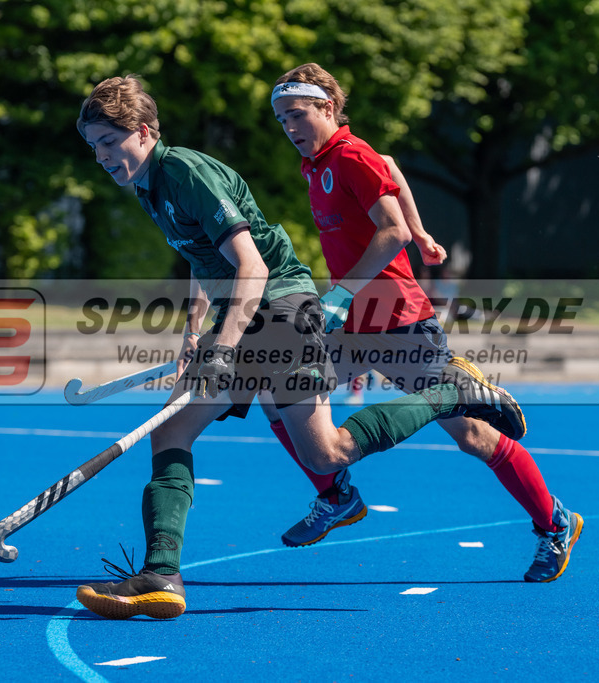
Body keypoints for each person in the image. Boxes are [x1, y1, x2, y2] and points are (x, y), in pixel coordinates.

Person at [72, 75, 532, 621]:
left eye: (108, 143)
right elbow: (204, 259)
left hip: (281, 310)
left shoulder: (184, 172)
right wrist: (196, 332)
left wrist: (223, 347)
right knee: (172, 428)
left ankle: (448, 392)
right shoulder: (152, 186)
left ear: (144, 132)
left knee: (327, 453)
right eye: (94, 147)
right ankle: (162, 575)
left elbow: (252, 265)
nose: (101, 157)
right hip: (247, 312)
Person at [267, 64, 581, 577]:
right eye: (282, 120)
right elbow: (391, 165)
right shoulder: (318, 162)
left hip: (399, 321)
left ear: (327, 107)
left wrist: (360, 276)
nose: (290, 128)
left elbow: (388, 230)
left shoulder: (349, 155)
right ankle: (338, 497)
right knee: (280, 395)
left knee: (473, 437)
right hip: (354, 327)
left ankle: (554, 523)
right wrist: (422, 228)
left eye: (297, 115)